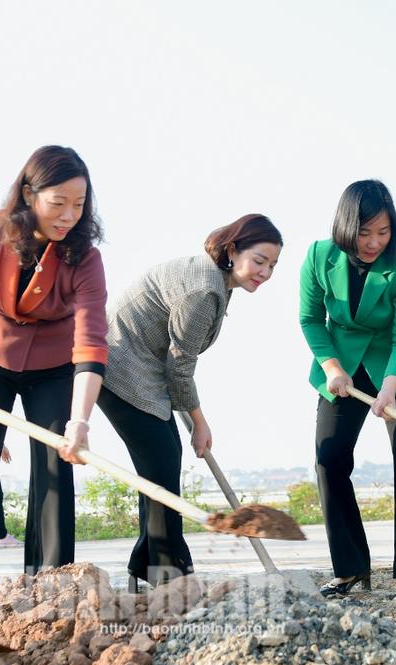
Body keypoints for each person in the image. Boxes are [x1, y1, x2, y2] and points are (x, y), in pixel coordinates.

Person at [0, 145, 107, 586]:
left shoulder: (86, 258)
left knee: (55, 458)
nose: (69, 216)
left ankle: (50, 583)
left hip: (53, 365)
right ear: (29, 195)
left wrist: (80, 421)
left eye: (79, 205)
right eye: (58, 203)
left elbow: (90, 344)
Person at [99, 214, 283, 592]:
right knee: (162, 471)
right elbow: (180, 367)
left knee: (161, 469)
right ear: (233, 250)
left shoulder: (216, 279)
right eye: (260, 261)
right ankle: (171, 576)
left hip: (144, 370)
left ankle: (145, 568)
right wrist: (200, 422)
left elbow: (175, 361)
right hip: (121, 370)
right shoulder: (205, 291)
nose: (265, 272)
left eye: (273, 265)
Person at [299, 179, 396, 598]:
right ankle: (350, 568)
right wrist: (331, 367)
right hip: (341, 369)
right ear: (346, 226)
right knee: (329, 459)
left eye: (383, 232)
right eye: (364, 232)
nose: (373, 242)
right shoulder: (318, 256)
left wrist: (391, 387)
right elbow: (310, 319)